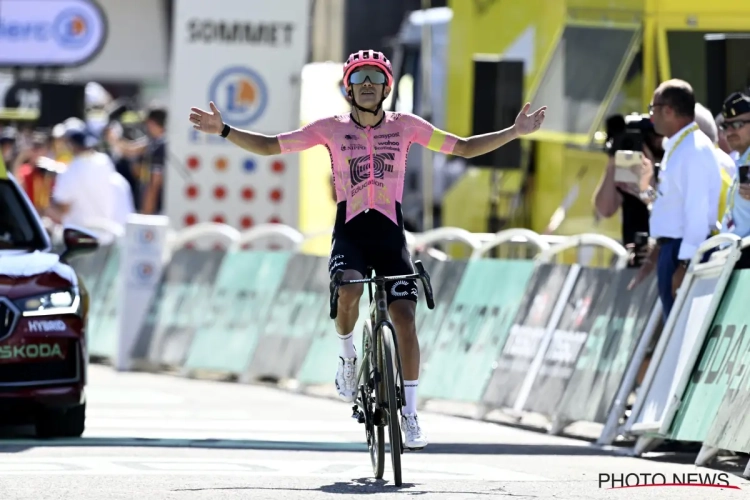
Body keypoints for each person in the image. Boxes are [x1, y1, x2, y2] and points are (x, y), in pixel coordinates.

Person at [188, 49, 547, 449]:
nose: (367, 87)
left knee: (406, 320)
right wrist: (225, 130)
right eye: (358, 80)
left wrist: (513, 132)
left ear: (387, 87)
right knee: (349, 290)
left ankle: (409, 413)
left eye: (375, 79)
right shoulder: (330, 128)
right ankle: (347, 358)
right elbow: (272, 145)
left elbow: (461, 148)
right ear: (347, 87)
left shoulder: (406, 126)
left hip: (392, 234)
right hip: (352, 233)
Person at [630, 80, 721, 318]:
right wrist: (645, 186)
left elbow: (697, 214)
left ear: (668, 110)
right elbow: (667, 206)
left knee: (682, 330)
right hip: (674, 250)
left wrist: (684, 265)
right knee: (676, 328)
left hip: (682, 252)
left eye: (653, 109)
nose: (651, 116)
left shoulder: (693, 149)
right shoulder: (680, 146)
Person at [594, 114, 663, 267]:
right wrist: (613, 163)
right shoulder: (627, 173)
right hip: (634, 259)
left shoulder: (669, 168)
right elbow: (604, 209)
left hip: (659, 257)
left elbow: (661, 205)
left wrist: (648, 172)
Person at [47, 122, 119, 231]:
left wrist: (44, 210)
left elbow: (63, 209)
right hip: (107, 234)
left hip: (81, 238)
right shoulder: (105, 161)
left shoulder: (70, 171)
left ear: (70, 144)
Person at [115, 107, 168, 215]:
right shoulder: (155, 142)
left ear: (152, 123)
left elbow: (155, 183)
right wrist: (113, 139)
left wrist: (146, 213)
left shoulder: (160, 146)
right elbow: (130, 149)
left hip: (155, 209)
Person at [719, 92, 750, 268]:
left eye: (738, 124)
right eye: (726, 126)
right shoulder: (740, 161)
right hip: (735, 258)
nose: (730, 132)